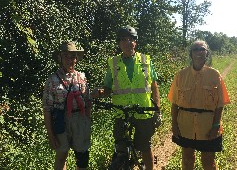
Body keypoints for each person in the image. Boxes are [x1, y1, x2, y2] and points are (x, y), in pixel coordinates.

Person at [91, 25, 161, 170]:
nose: (127, 43)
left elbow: (154, 86)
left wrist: (157, 109)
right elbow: (108, 87)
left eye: (130, 39)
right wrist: (100, 92)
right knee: (121, 148)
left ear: (135, 42)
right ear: (119, 43)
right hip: (121, 112)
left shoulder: (145, 60)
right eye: (123, 40)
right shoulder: (113, 62)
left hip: (143, 111)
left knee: (145, 146)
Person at [168, 40, 230, 170]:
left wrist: (215, 125)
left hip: (207, 128)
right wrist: (174, 124)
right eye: (195, 49)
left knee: (208, 162)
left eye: (202, 49)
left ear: (207, 54)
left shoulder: (215, 75)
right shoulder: (180, 75)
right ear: (191, 54)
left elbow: (220, 104)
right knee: (187, 159)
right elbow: (174, 104)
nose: (199, 52)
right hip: (186, 126)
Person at [42, 41, 91, 170]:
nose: (70, 60)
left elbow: (88, 101)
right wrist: (50, 134)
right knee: (62, 154)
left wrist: (87, 121)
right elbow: (47, 109)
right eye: (66, 56)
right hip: (60, 120)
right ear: (60, 58)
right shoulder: (52, 80)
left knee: (82, 155)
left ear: (77, 58)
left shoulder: (81, 77)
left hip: (80, 119)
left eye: (73, 56)